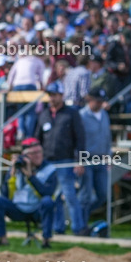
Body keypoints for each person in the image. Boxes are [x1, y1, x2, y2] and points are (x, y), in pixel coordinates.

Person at [35, 82, 88, 236]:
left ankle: (78, 228)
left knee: (70, 196)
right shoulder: (43, 114)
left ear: (61, 96)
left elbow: (80, 139)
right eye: (50, 95)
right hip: (48, 162)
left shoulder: (71, 114)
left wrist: (80, 160)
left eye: (54, 95)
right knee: (53, 198)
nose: (52, 98)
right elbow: (37, 139)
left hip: (66, 161)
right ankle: (57, 228)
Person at [0, 138, 58, 248]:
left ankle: (46, 241)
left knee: (48, 201)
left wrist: (30, 177)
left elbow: (47, 193)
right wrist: (11, 174)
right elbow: (5, 194)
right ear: (25, 156)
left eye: (39, 152)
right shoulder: (17, 167)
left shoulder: (49, 169)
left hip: (37, 210)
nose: (38, 155)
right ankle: (2, 239)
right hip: (18, 208)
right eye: (33, 153)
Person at [77, 88, 111, 226]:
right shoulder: (81, 116)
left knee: (102, 194)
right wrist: (79, 160)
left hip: (101, 159)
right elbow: (78, 139)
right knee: (85, 194)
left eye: (101, 101)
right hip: (86, 158)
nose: (100, 103)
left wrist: (109, 156)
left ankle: (80, 215)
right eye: (97, 101)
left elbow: (107, 137)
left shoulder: (104, 115)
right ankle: (82, 225)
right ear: (90, 100)